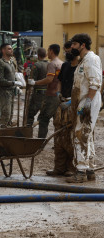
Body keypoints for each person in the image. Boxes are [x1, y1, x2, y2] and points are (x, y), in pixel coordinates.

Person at [66, 33, 102, 183]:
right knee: (87, 136)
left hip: (89, 101)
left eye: (74, 44)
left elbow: (95, 83)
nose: (71, 47)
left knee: (80, 135)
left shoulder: (91, 59)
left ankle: (80, 172)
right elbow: (82, 85)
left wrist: (88, 102)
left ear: (82, 45)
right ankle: (90, 170)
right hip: (84, 101)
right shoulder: (82, 61)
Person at [46, 41, 78, 177]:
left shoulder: (81, 68)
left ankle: (72, 167)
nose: (67, 53)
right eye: (66, 51)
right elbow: (59, 80)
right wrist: (59, 93)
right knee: (59, 135)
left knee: (71, 136)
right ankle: (59, 167)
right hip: (62, 102)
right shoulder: (65, 65)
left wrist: (72, 100)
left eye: (69, 51)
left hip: (73, 104)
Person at [28, 44, 63, 138]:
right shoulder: (61, 63)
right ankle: (58, 143)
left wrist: (35, 83)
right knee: (57, 120)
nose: (47, 53)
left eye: (48, 51)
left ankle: (40, 142)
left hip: (51, 96)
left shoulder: (52, 64)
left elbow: (49, 79)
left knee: (43, 120)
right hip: (58, 95)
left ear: (51, 51)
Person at [0, 44, 22, 135]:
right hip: (4, 92)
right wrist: (13, 83)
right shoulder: (1, 64)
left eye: (11, 49)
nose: (11, 50)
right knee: (5, 114)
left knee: (9, 116)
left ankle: (2, 133)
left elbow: (13, 75)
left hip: (11, 91)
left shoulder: (12, 62)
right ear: (3, 50)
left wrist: (16, 84)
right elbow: (0, 80)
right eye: (9, 49)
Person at [26, 47, 49, 127]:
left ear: (38, 55)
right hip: (47, 93)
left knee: (30, 113)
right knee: (44, 114)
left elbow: (32, 80)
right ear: (46, 55)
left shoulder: (37, 65)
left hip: (38, 93)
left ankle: (28, 131)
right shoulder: (49, 64)